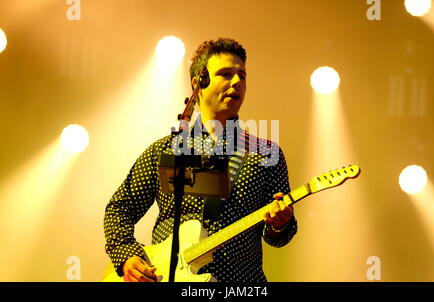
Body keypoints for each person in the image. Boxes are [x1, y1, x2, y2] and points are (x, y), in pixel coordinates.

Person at [103, 37, 298, 282]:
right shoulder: (167, 149)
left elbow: (279, 237)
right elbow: (119, 209)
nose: (237, 82)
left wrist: (281, 223)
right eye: (226, 74)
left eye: (242, 75)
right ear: (198, 82)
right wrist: (128, 256)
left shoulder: (266, 152)